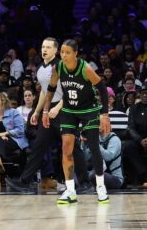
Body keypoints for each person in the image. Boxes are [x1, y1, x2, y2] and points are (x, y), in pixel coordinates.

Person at [5, 37, 83, 192]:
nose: (44, 50)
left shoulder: (62, 66)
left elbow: (70, 90)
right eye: (43, 47)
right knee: (38, 146)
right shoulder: (40, 68)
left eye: (48, 47)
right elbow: (44, 92)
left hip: (64, 109)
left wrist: (58, 107)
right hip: (49, 111)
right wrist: (37, 111)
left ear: (56, 50)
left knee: (72, 147)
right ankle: (24, 181)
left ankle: (85, 182)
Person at [46, 39, 111, 205]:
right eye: (62, 52)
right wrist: (46, 110)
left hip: (89, 110)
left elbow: (102, 89)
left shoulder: (85, 68)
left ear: (75, 54)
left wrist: (104, 114)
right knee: (66, 149)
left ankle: (101, 187)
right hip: (69, 111)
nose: (64, 55)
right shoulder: (58, 68)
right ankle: (70, 190)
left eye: (67, 52)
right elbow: (51, 88)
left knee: (94, 148)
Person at [0, 91, 27, 189]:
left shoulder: (14, 112)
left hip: (14, 140)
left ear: (3, 100)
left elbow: (20, 130)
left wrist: (5, 133)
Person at [121, 87, 147, 186]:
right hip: (138, 140)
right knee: (127, 146)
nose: (145, 95)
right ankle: (144, 174)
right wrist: (140, 140)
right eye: (143, 93)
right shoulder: (133, 108)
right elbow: (130, 128)